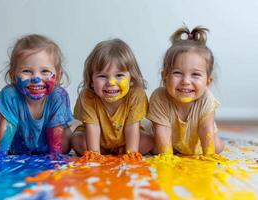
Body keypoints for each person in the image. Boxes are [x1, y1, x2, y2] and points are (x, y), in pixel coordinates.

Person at [0, 34, 73, 155]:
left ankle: (45, 148)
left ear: (58, 76)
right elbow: (7, 127)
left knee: (66, 144)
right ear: (12, 75)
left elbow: (56, 128)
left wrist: (55, 155)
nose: (36, 78)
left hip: (48, 139)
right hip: (15, 140)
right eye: (26, 71)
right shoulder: (10, 95)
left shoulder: (58, 96)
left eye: (45, 71)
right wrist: (0, 154)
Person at [147, 26, 224, 156]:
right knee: (152, 147)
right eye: (178, 73)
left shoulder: (206, 99)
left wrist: (209, 156)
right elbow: (163, 132)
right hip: (168, 139)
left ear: (207, 82)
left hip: (198, 141)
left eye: (195, 75)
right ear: (164, 77)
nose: (186, 81)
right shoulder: (159, 97)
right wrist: (167, 157)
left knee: (217, 147)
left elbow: (206, 129)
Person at [71, 38, 153, 161]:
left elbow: (132, 127)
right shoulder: (87, 96)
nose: (111, 82)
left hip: (126, 140)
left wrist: (132, 153)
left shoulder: (136, 95)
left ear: (131, 79)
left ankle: (120, 150)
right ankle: (105, 151)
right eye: (103, 76)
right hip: (97, 140)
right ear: (91, 81)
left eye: (119, 75)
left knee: (149, 141)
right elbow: (92, 127)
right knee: (77, 141)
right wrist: (94, 154)